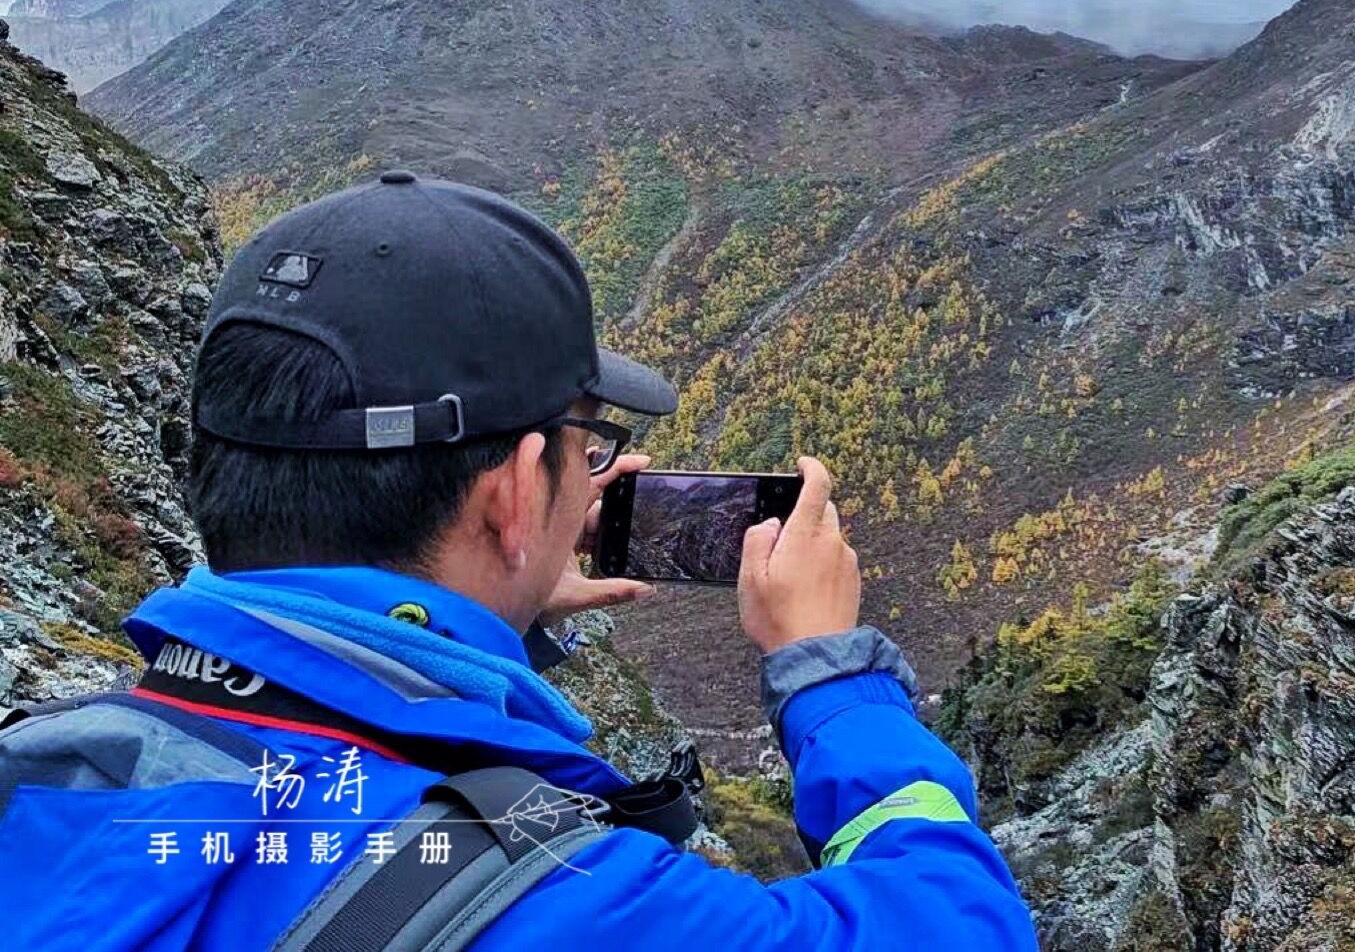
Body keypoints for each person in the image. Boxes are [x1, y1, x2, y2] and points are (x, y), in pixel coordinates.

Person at [0, 170, 1036, 951]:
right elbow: (953, 924)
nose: (601, 476)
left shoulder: (59, 762)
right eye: (590, 446)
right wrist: (833, 676)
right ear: (510, 491)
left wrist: (497, 623)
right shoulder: (566, 901)